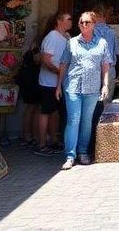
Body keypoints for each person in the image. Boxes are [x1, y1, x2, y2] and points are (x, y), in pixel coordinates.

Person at [56, 11, 112, 169]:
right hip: (73, 86)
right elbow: (64, 64)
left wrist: (105, 84)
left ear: (94, 24)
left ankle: (83, 152)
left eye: (87, 22)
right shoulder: (71, 42)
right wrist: (58, 85)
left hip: (92, 88)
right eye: (81, 22)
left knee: (87, 121)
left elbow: (105, 64)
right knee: (73, 120)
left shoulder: (102, 43)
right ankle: (70, 155)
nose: (83, 25)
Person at [34, 12, 71, 155]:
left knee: (55, 112)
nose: (71, 21)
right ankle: (41, 144)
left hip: (59, 83)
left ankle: (53, 141)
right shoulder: (52, 37)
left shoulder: (66, 37)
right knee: (45, 112)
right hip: (48, 83)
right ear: (59, 21)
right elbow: (46, 60)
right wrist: (58, 72)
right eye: (68, 19)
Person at [88, 5, 119, 157]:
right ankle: (105, 144)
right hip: (110, 70)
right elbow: (116, 53)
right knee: (106, 105)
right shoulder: (111, 32)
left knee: (91, 107)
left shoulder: (90, 32)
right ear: (104, 16)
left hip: (93, 71)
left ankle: (91, 144)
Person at [15, 40, 42, 147]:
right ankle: (30, 136)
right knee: (34, 108)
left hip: (29, 82)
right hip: (32, 82)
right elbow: (36, 60)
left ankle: (28, 135)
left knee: (31, 108)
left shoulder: (33, 46)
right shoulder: (36, 47)